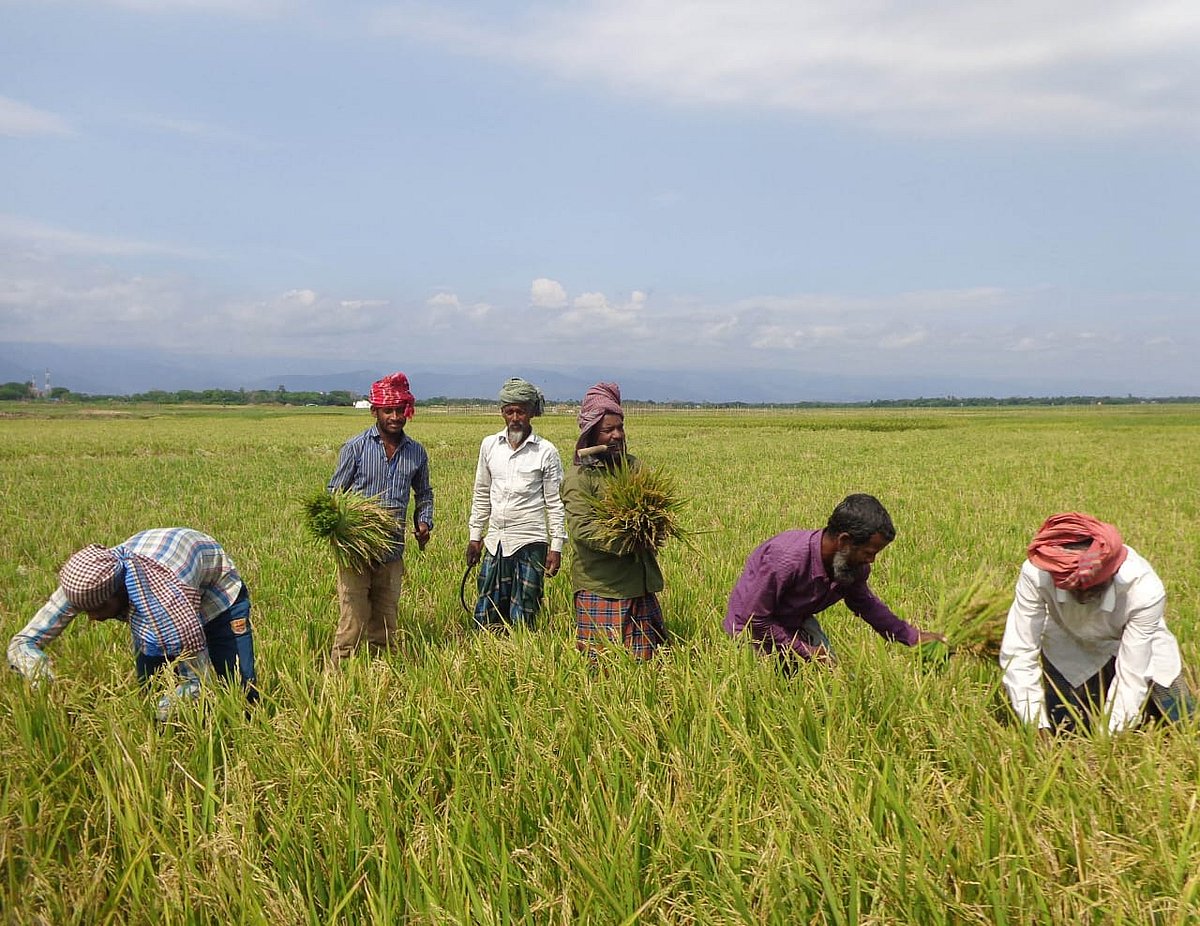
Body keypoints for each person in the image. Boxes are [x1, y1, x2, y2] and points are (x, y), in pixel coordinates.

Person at [7, 528, 258, 719]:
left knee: (238, 681)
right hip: (168, 572)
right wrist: (39, 672)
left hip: (217, 597)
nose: (93, 618)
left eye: (99, 610)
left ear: (121, 592)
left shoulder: (165, 608)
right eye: (84, 611)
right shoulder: (88, 581)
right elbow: (24, 641)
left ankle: (245, 731)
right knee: (150, 685)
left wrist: (161, 712)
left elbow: (197, 683)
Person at [999, 512, 1194, 734]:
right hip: (1069, 641)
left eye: (1091, 588)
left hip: (1133, 644)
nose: (1083, 597)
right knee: (1065, 729)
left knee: (1180, 722)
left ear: (1112, 573)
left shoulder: (1144, 590)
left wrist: (1109, 739)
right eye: (1074, 590)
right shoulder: (1037, 573)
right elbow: (1019, 651)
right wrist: (1036, 726)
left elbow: (1132, 675)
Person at [723, 493, 944, 669]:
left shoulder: (852, 566)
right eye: (869, 552)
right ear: (844, 541)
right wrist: (805, 651)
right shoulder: (785, 559)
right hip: (751, 629)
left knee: (829, 675)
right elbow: (756, 619)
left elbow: (866, 605)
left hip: (794, 620)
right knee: (767, 688)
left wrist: (913, 637)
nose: (872, 560)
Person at [327, 371, 434, 662]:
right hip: (356, 553)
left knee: (386, 624)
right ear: (375, 411)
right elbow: (334, 494)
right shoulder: (356, 448)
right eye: (388, 410)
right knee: (353, 621)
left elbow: (424, 494)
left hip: (391, 551)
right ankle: (334, 682)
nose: (395, 416)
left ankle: (380, 678)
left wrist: (423, 522)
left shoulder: (416, 453)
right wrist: (347, 526)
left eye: (400, 410)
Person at [560, 381, 666, 660]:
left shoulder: (634, 467)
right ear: (591, 433)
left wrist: (656, 527)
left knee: (647, 663)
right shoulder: (580, 478)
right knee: (604, 666)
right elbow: (582, 529)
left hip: (639, 583)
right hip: (602, 586)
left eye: (620, 427)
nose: (617, 435)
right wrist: (628, 539)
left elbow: (653, 509)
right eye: (609, 430)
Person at [465, 377, 566, 631]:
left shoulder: (546, 451)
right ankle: (487, 654)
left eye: (521, 411)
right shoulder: (490, 445)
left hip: (530, 541)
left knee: (524, 610)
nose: (515, 417)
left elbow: (555, 503)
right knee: (486, 607)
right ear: (502, 413)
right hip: (495, 540)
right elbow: (481, 492)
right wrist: (475, 536)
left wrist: (556, 546)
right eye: (509, 411)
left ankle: (521, 656)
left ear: (532, 412)